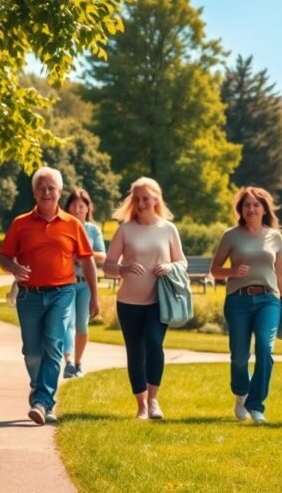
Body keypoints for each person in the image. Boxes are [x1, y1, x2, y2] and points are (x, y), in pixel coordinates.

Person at [0, 167, 100, 425]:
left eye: (51, 188)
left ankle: (43, 402)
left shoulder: (72, 224)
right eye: (41, 188)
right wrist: (13, 268)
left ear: (60, 191)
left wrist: (94, 296)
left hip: (61, 293)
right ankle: (38, 387)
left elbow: (88, 261)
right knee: (32, 351)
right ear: (34, 192)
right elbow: (3, 257)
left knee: (53, 344)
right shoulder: (20, 224)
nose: (46, 192)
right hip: (29, 295)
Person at [209, 187, 282, 424]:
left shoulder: (275, 237)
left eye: (256, 204)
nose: (251, 208)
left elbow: (281, 273)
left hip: (268, 299)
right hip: (238, 300)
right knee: (240, 356)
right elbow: (214, 270)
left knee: (265, 349)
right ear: (240, 209)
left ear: (264, 209)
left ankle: (256, 405)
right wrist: (232, 271)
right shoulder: (231, 235)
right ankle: (242, 394)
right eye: (246, 205)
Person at [103, 177, 186, 420]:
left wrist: (170, 267)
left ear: (156, 200)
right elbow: (107, 266)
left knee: (154, 344)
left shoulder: (168, 229)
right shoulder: (125, 230)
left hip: (158, 301)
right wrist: (123, 269)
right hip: (128, 302)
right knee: (135, 351)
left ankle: (153, 401)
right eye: (137, 199)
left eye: (145, 198)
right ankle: (141, 406)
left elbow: (182, 261)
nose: (140, 203)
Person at [62, 188, 106, 379]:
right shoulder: (62, 227)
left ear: (88, 209)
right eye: (74, 205)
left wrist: (85, 256)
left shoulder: (93, 230)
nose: (78, 210)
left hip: (86, 284)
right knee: (67, 322)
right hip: (66, 283)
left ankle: (78, 362)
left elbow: (102, 255)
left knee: (82, 325)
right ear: (68, 208)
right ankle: (69, 361)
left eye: (82, 206)